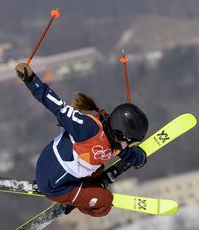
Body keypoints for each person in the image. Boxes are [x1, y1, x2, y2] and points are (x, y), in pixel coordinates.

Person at [15, 63, 149, 217]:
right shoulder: (87, 128)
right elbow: (57, 106)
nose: (130, 146)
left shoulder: (114, 136)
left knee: (98, 168)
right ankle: (77, 200)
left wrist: (138, 158)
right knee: (105, 202)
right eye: (132, 143)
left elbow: (123, 151)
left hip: (68, 168)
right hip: (54, 184)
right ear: (122, 135)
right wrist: (31, 79)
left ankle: (86, 189)